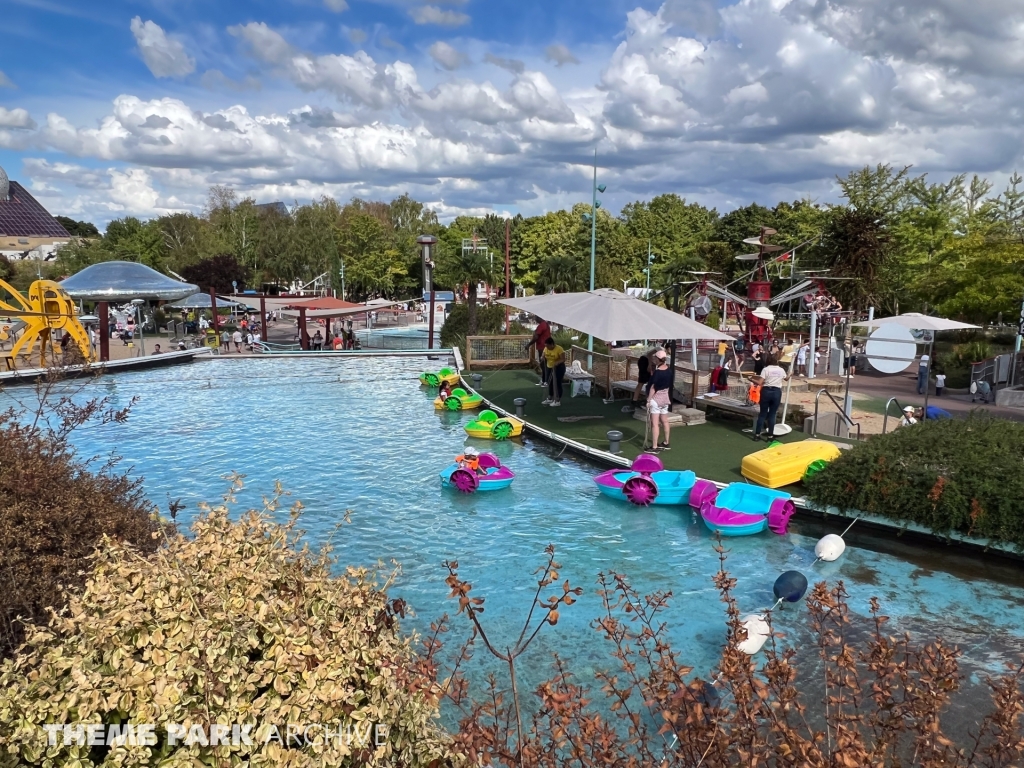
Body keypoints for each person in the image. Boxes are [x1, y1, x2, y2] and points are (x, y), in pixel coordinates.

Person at [753, 354, 788, 441]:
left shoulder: (766, 369)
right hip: (776, 392)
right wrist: (790, 374)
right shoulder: (781, 370)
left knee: (762, 414)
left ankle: (757, 435)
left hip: (766, 391)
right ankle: (770, 436)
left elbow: (760, 382)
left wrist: (751, 379)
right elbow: (786, 379)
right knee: (772, 414)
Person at [646, 349, 673, 451]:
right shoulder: (669, 371)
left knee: (655, 424)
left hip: (656, 399)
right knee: (665, 421)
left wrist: (648, 400)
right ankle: (666, 442)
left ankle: (654, 446)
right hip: (665, 397)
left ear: (658, 359)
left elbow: (653, 388)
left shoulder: (657, 373)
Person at [526, 318, 553, 387]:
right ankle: (544, 380)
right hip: (545, 346)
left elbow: (536, 337)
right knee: (544, 364)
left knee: (543, 364)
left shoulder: (542, 325)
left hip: (543, 347)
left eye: (536, 317)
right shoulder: (546, 324)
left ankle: (546, 381)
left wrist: (529, 345)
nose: (535, 319)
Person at [541, 337, 566, 407]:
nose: (547, 347)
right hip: (549, 367)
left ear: (552, 344)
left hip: (559, 368)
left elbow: (563, 359)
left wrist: (557, 362)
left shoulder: (559, 349)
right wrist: (542, 357)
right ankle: (550, 398)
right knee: (550, 383)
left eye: (548, 346)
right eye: (546, 346)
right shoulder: (546, 348)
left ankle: (557, 400)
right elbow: (543, 354)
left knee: (557, 383)